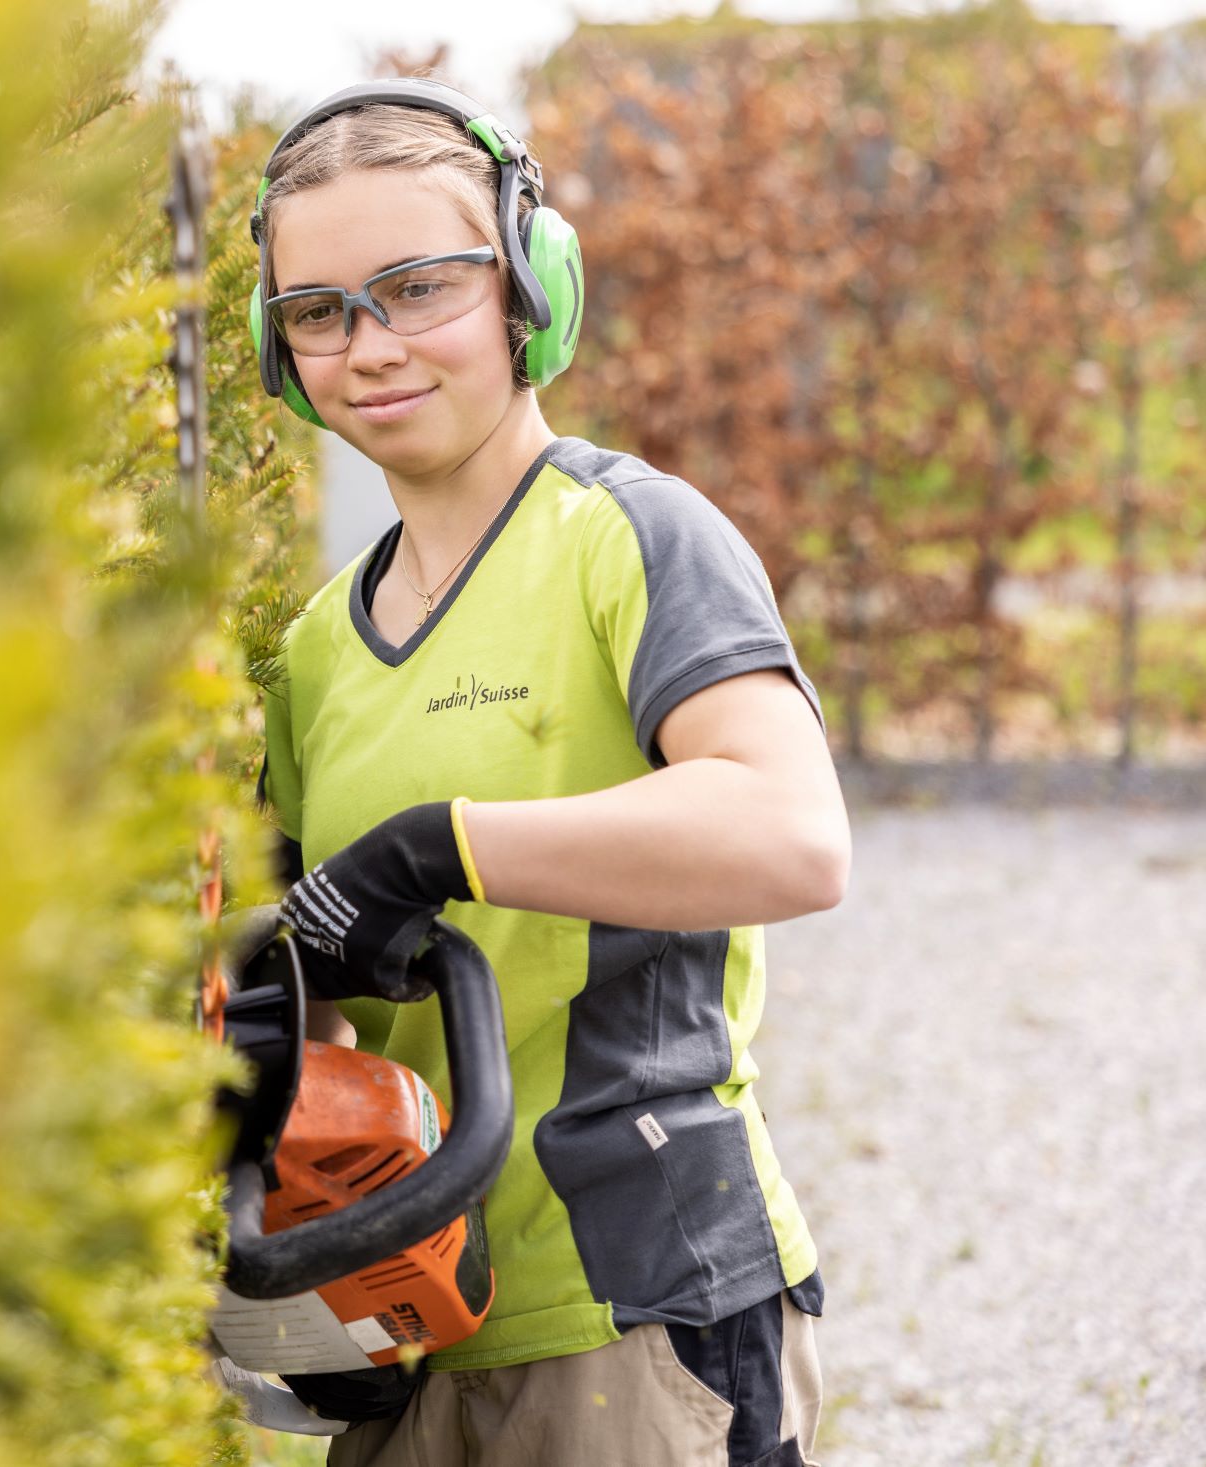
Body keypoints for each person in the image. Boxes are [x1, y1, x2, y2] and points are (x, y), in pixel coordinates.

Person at [249, 80, 850, 1467]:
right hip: (409, 1324)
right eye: (322, 311)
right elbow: (327, 1002)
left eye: (417, 287)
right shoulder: (314, 653)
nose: (371, 345)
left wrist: (445, 846)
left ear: (528, 286)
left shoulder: (629, 538)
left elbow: (791, 833)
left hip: (631, 1313)